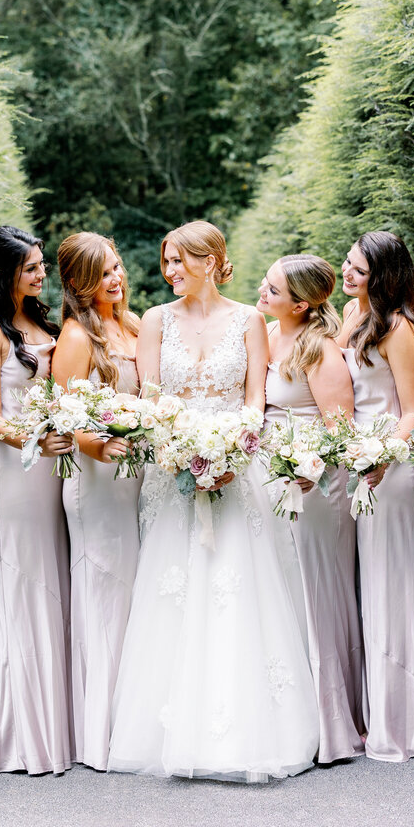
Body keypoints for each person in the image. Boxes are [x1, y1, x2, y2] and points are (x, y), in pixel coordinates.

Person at [108, 221, 318, 782]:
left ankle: (246, 733)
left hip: (236, 472)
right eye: (166, 264)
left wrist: (229, 455)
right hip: (172, 472)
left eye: (179, 262)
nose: (170, 273)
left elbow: (255, 401)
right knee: (174, 589)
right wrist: (179, 453)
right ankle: (169, 731)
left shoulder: (249, 319)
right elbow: (151, 401)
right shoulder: (155, 321)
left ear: (210, 259)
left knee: (237, 589)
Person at [338, 231, 414, 762]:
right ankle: (377, 712)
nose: (347, 273)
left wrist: (383, 454)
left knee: (397, 585)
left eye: (358, 270)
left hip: (393, 468)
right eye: (346, 263)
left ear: (382, 277)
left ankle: (411, 723)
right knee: (372, 586)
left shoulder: (400, 328)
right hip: (358, 464)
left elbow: (412, 409)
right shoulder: (348, 314)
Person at [0, 225, 72, 776]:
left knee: (53, 580)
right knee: (22, 583)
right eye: (31, 268)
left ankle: (59, 722)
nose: (41, 274)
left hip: (51, 466)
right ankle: (24, 734)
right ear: (3, 272)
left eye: (41, 266)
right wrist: (31, 437)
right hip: (14, 468)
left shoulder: (38, 320)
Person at [258, 253, 364, 763]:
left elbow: (339, 427)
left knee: (315, 590)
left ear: (300, 304)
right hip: (271, 479)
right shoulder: (268, 335)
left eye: (273, 288)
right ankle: (288, 711)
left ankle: (330, 723)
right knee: (282, 590)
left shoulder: (319, 348)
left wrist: (309, 465)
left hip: (314, 484)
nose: (263, 290)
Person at [54, 232, 141, 771]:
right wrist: (101, 444)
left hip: (134, 477)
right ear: (81, 284)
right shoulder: (76, 337)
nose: (117, 278)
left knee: (134, 595)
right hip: (96, 479)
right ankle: (98, 731)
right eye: (104, 273)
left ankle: (130, 718)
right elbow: (67, 417)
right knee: (103, 594)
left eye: (117, 266)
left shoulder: (130, 326)